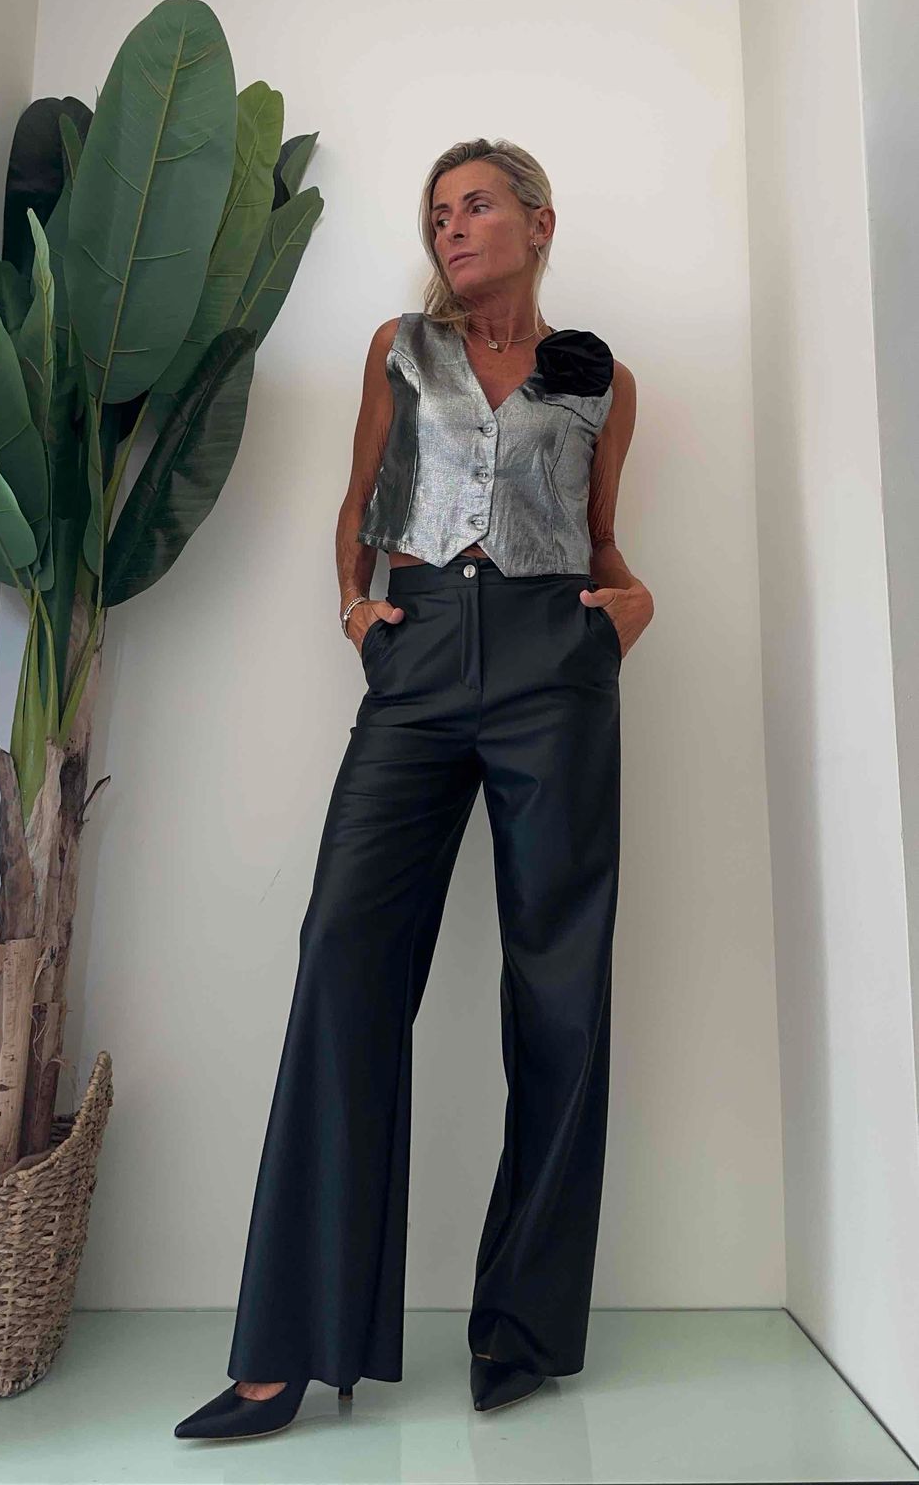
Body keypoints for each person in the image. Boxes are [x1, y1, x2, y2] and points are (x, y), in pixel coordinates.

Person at [174, 137, 654, 1443]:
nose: (452, 226)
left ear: (537, 221)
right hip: (422, 653)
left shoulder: (599, 377)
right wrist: (356, 610)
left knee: (559, 989)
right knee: (344, 955)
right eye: (438, 211)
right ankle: (287, 1348)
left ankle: (521, 1328)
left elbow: (601, 536)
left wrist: (629, 606)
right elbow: (357, 506)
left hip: (556, 667)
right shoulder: (402, 349)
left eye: (476, 204)